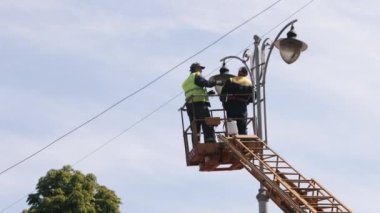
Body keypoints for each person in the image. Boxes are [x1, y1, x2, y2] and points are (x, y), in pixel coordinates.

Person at [182, 62, 216, 143]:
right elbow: (206, 83)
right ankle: (209, 140)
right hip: (200, 104)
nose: (201, 70)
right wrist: (215, 82)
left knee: (195, 126)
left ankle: (196, 143)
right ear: (196, 68)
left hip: (190, 105)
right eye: (200, 68)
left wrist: (207, 94)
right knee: (207, 121)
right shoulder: (196, 75)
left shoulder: (186, 81)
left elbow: (194, 91)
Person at [220, 66, 253, 135]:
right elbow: (253, 97)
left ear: (238, 72)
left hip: (231, 107)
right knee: (242, 129)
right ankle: (243, 141)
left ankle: (232, 140)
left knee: (231, 128)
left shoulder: (231, 80)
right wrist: (246, 102)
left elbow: (223, 95)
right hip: (242, 108)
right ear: (246, 74)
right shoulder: (249, 83)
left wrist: (224, 105)